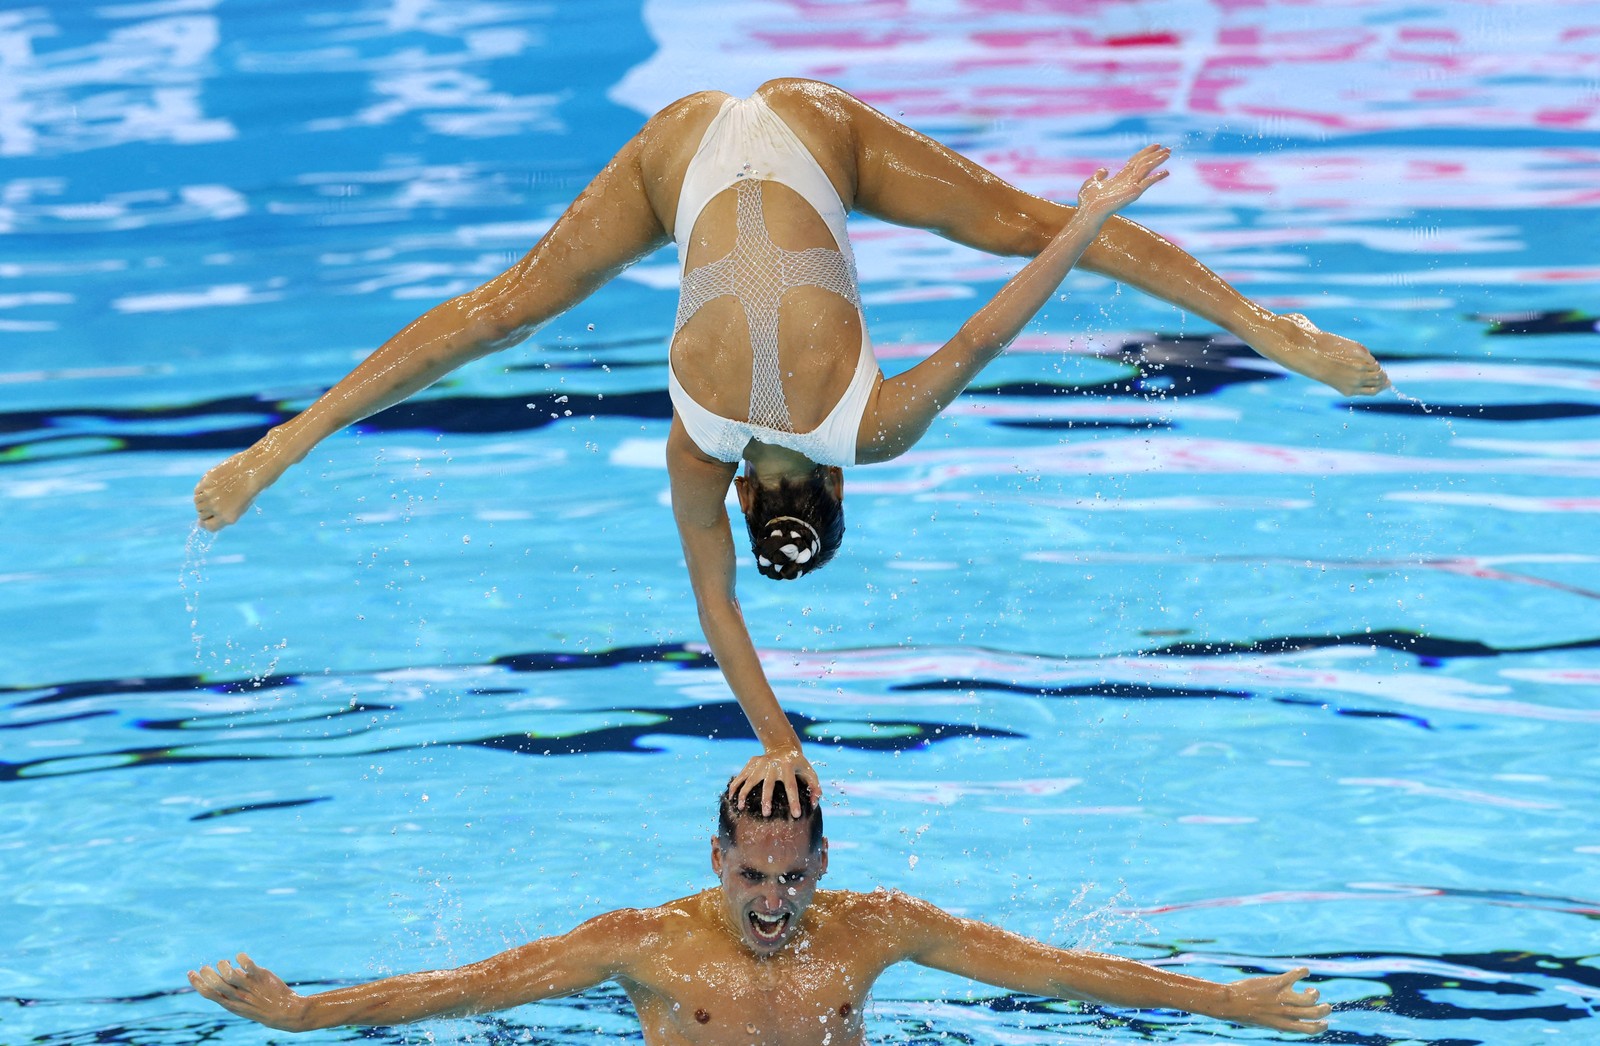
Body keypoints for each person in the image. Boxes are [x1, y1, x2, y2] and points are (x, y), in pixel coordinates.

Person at [192, 79, 1388, 812]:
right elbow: (714, 608)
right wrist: (775, 731)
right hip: (688, 153)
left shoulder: (870, 428)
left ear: (828, 487)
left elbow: (990, 324)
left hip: (812, 138)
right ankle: (281, 445)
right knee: (504, 308)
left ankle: (1273, 329)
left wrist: (1081, 223)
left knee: (1019, 223)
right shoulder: (694, 445)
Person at [188, 779, 1332, 1040]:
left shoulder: (874, 924)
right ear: (715, 858)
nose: (775, 903)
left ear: (822, 860)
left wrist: (1223, 1000)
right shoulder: (640, 942)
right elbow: (471, 984)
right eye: (752, 877)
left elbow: (1050, 972)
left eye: (794, 876)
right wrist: (303, 1013)